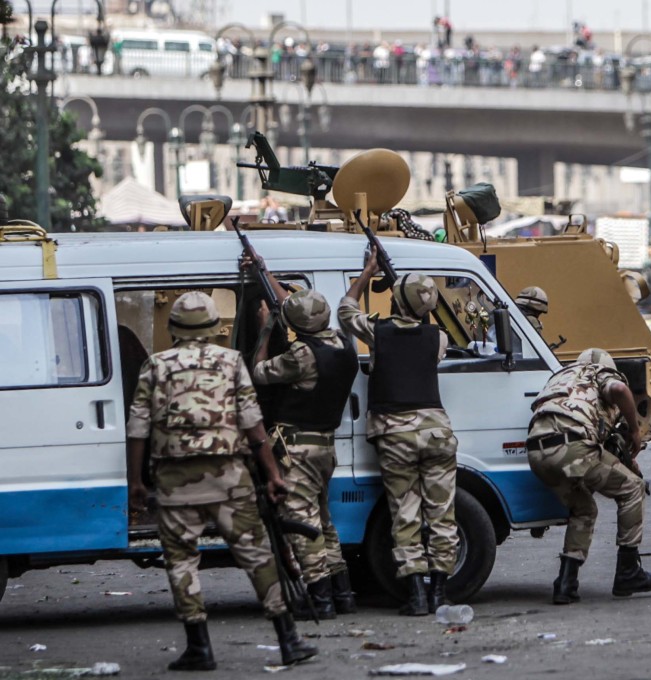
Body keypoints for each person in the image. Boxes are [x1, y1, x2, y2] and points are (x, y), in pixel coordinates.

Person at [126, 291, 317, 672]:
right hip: (230, 475)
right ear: (215, 327)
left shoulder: (156, 365)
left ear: (173, 327)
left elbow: (138, 429)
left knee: (181, 561)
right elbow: (252, 424)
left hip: (174, 478)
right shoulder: (230, 361)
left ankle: (199, 647)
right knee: (258, 556)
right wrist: (274, 474)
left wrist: (136, 483)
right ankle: (289, 641)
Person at [337, 246, 458, 616]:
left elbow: (345, 312)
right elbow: (421, 335)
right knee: (442, 514)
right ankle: (439, 593)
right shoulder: (438, 337)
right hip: (437, 433)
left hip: (395, 435)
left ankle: (415, 596)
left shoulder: (378, 332)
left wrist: (367, 273)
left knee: (405, 514)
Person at [249, 267, 359, 621]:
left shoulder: (300, 356)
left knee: (302, 524)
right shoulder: (344, 345)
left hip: (296, 450)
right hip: (325, 448)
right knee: (325, 524)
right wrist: (266, 274)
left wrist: (266, 328)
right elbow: (302, 314)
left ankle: (320, 600)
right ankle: (342, 594)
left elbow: (259, 371)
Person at [526, 348, 651, 605]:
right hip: (572, 447)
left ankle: (565, 583)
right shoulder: (598, 373)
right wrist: (634, 430)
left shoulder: (559, 378)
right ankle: (628, 572)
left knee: (584, 509)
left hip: (536, 452)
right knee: (633, 488)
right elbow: (620, 391)